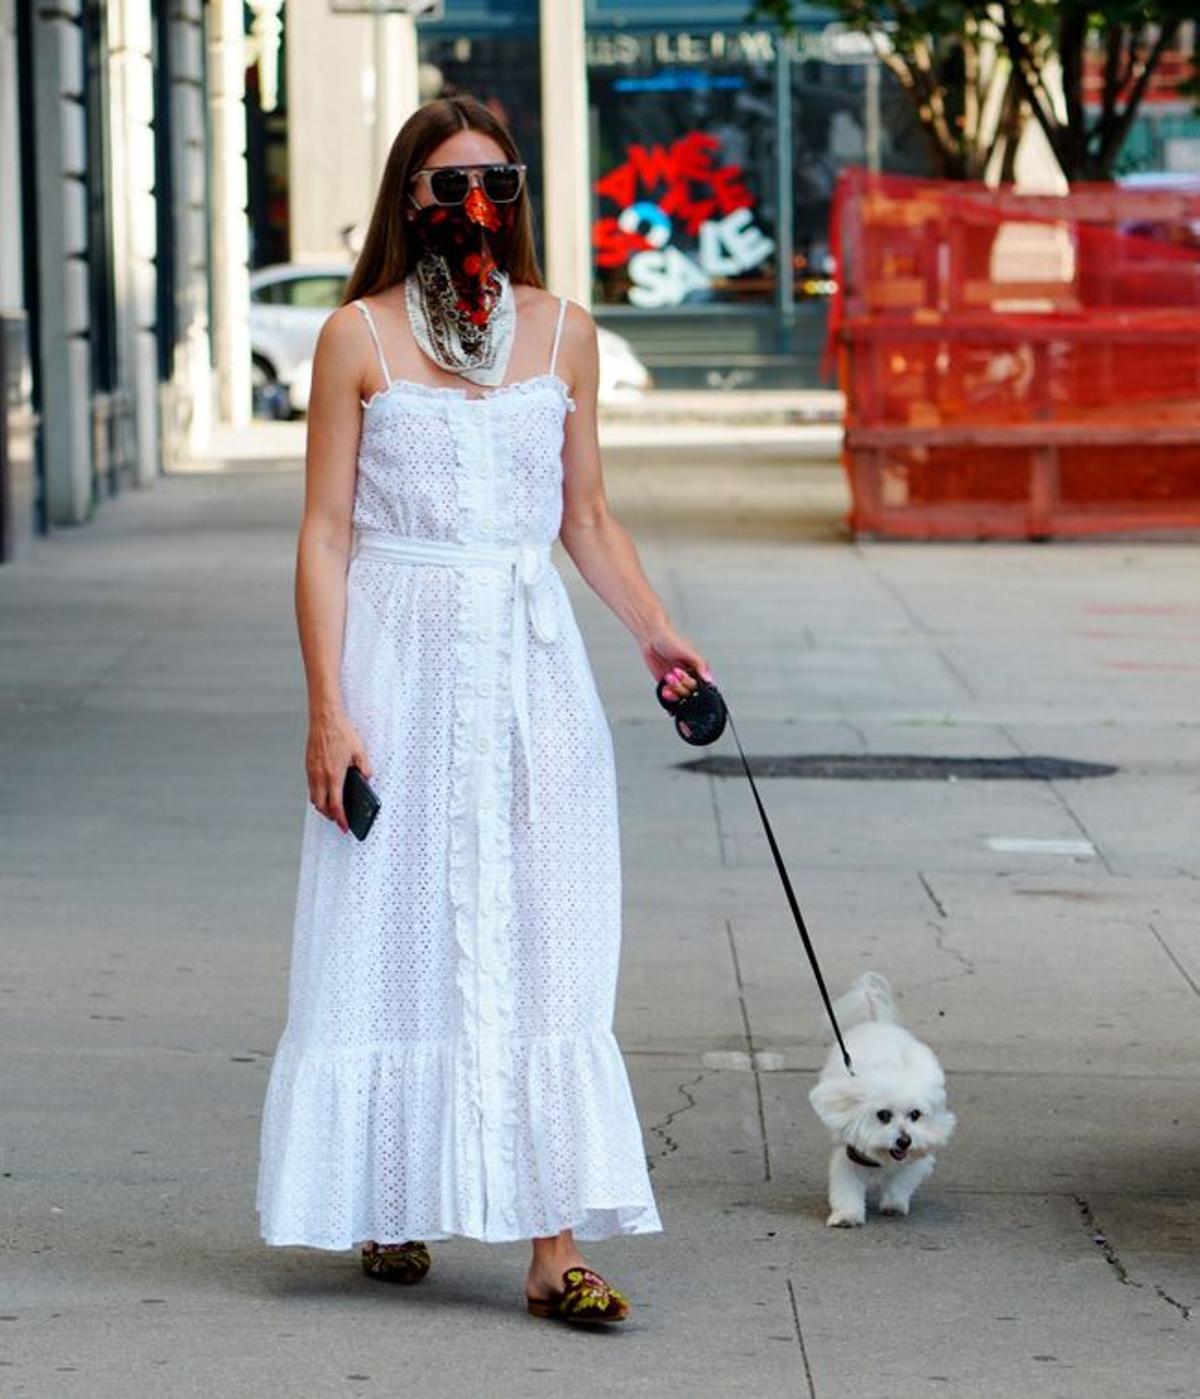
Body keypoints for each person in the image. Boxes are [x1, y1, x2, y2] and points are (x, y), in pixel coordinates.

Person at [255, 94, 713, 1327]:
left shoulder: (564, 331)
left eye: (497, 184)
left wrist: (655, 633)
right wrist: (327, 709)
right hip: (398, 664)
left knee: (545, 938)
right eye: (450, 182)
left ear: (518, 197)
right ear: (409, 196)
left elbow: (586, 516)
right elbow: (326, 532)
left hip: (529, 671)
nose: (474, 205)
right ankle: (390, 1197)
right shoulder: (355, 335)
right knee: (387, 929)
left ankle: (549, 1245)